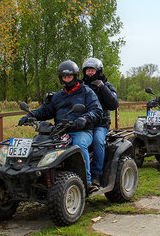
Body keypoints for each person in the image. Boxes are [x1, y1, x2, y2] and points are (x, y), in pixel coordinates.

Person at [18, 60, 103, 193]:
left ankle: (86, 181)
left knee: (79, 145)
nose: (67, 80)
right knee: (38, 144)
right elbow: (46, 110)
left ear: (75, 76)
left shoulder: (86, 92)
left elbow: (97, 111)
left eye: (69, 77)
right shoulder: (59, 96)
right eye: (64, 77)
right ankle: (33, 178)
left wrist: (84, 118)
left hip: (81, 131)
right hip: (60, 131)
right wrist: (31, 115)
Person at [82, 57, 119, 187]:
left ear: (99, 71)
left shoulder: (107, 86)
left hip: (100, 124)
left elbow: (114, 104)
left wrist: (103, 88)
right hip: (84, 123)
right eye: (87, 71)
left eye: (92, 70)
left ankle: (96, 173)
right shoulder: (81, 86)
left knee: (98, 141)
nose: (90, 73)